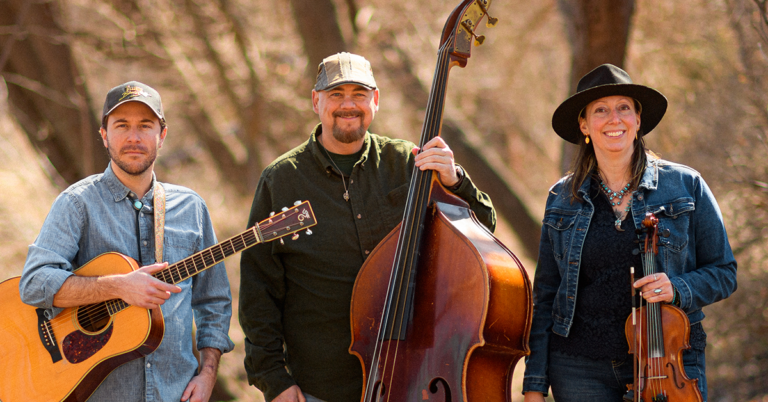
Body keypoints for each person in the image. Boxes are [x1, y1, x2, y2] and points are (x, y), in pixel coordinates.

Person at [238, 52, 496, 402]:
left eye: (358, 94)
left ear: (375, 100)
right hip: (322, 387)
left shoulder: (410, 163)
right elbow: (258, 291)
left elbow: (482, 232)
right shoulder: (281, 180)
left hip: (418, 377)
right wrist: (274, 380)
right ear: (316, 101)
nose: (348, 105)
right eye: (336, 94)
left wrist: (456, 180)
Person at [521, 64, 737, 401]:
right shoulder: (562, 197)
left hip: (667, 361)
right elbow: (546, 295)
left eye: (624, 107)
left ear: (637, 119)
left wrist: (677, 288)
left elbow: (724, 272)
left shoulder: (686, 185)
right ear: (584, 125)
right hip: (578, 370)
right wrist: (534, 384)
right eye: (601, 110)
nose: (614, 119)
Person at [19, 81, 234, 402]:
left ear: (162, 135)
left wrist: (207, 375)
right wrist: (118, 286)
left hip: (175, 393)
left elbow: (213, 301)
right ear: (104, 135)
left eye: (145, 126)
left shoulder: (191, 208)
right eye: (122, 126)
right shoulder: (76, 204)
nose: (134, 137)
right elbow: (34, 284)